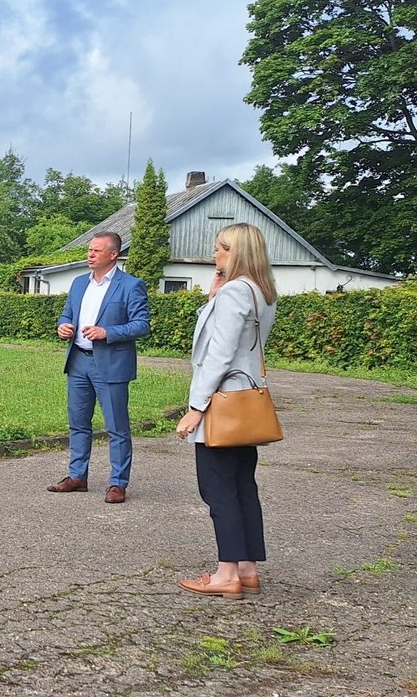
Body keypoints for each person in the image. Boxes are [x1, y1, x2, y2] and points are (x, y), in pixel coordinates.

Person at [173, 223, 279, 599]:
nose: (214, 254)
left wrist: (195, 407)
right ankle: (247, 568)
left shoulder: (236, 291)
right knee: (241, 486)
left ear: (236, 252)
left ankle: (225, 574)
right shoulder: (262, 292)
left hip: (222, 402)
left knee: (218, 490)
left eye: (220, 249)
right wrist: (213, 295)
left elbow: (218, 353)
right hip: (246, 401)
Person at [49, 230, 151, 503]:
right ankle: (77, 476)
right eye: (90, 250)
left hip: (112, 364)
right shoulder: (79, 283)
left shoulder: (130, 285)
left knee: (117, 427)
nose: (90, 254)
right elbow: (67, 313)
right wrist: (63, 325)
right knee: (78, 423)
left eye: (96, 250)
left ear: (113, 254)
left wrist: (108, 332)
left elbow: (142, 325)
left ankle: (118, 483)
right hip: (78, 360)